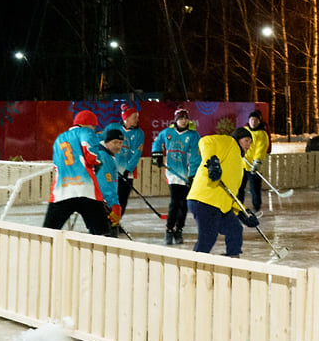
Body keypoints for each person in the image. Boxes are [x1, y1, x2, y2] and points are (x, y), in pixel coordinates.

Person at [43, 109, 120, 235]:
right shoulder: (87, 132)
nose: (94, 129)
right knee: (102, 233)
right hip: (86, 190)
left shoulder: (59, 138)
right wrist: (98, 162)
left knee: (48, 232)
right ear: (88, 124)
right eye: (93, 126)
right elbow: (91, 156)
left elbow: (56, 166)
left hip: (62, 191)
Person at [188, 127, 259, 257]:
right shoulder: (230, 143)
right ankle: (194, 267)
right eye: (246, 140)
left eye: (250, 142)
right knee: (208, 237)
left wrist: (243, 212)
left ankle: (232, 261)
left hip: (220, 206)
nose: (249, 145)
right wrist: (212, 162)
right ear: (238, 139)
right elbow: (206, 141)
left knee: (235, 230)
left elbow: (232, 194)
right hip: (205, 200)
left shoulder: (239, 164)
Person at [151, 108, 201, 245]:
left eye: (185, 118)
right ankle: (169, 229)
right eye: (180, 118)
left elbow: (196, 157)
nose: (183, 121)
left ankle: (179, 229)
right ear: (175, 120)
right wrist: (157, 154)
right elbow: (157, 142)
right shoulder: (167, 133)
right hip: (173, 173)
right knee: (175, 202)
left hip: (186, 174)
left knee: (184, 204)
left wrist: (193, 175)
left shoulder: (193, 136)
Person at [103, 104, 144, 231]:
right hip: (110, 171)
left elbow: (136, 153)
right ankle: (106, 222)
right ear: (125, 118)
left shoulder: (139, 133)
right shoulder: (112, 127)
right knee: (109, 198)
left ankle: (116, 222)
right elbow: (103, 145)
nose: (136, 120)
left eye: (137, 117)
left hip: (126, 173)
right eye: (134, 117)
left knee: (122, 200)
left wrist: (127, 170)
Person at [238, 110, 270, 213]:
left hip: (254, 166)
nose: (253, 122)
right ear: (248, 120)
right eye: (252, 120)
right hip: (242, 165)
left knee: (255, 189)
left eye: (256, 120)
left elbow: (261, 148)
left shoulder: (262, 134)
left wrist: (257, 161)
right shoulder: (244, 131)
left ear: (259, 122)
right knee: (239, 188)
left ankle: (256, 208)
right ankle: (238, 207)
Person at [95, 128, 125, 234]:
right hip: (103, 204)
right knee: (108, 235)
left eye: (121, 143)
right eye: (115, 142)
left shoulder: (106, 153)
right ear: (107, 142)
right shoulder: (104, 157)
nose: (118, 146)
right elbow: (105, 185)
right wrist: (114, 204)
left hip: (99, 201)